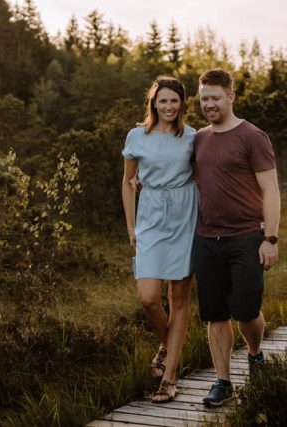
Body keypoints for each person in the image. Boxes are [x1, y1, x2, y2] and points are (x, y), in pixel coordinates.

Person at [191, 68, 281, 408]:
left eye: (215, 98)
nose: (209, 105)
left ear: (231, 96)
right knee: (215, 315)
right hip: (206, 239)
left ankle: (255, 354)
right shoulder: (199, 138)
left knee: (246, 311)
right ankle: (223, 381)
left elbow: (271, 190)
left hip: (246, 238)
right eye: (204, 99)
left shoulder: (253, 136)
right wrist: (141, 178)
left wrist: (270, 238)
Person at [121, 76, 199, 403]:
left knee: (178, 298)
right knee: (149, 297)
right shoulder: (137, 136)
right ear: (153, 102)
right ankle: (168, 346)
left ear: (182, 103)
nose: (168, 106)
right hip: (150, 217)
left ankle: (169, 378)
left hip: (185, 216)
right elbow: (128, 182)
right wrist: (131, 227)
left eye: (174, 101)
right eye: (162, 100)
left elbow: (205, 175)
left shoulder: (193, 137)